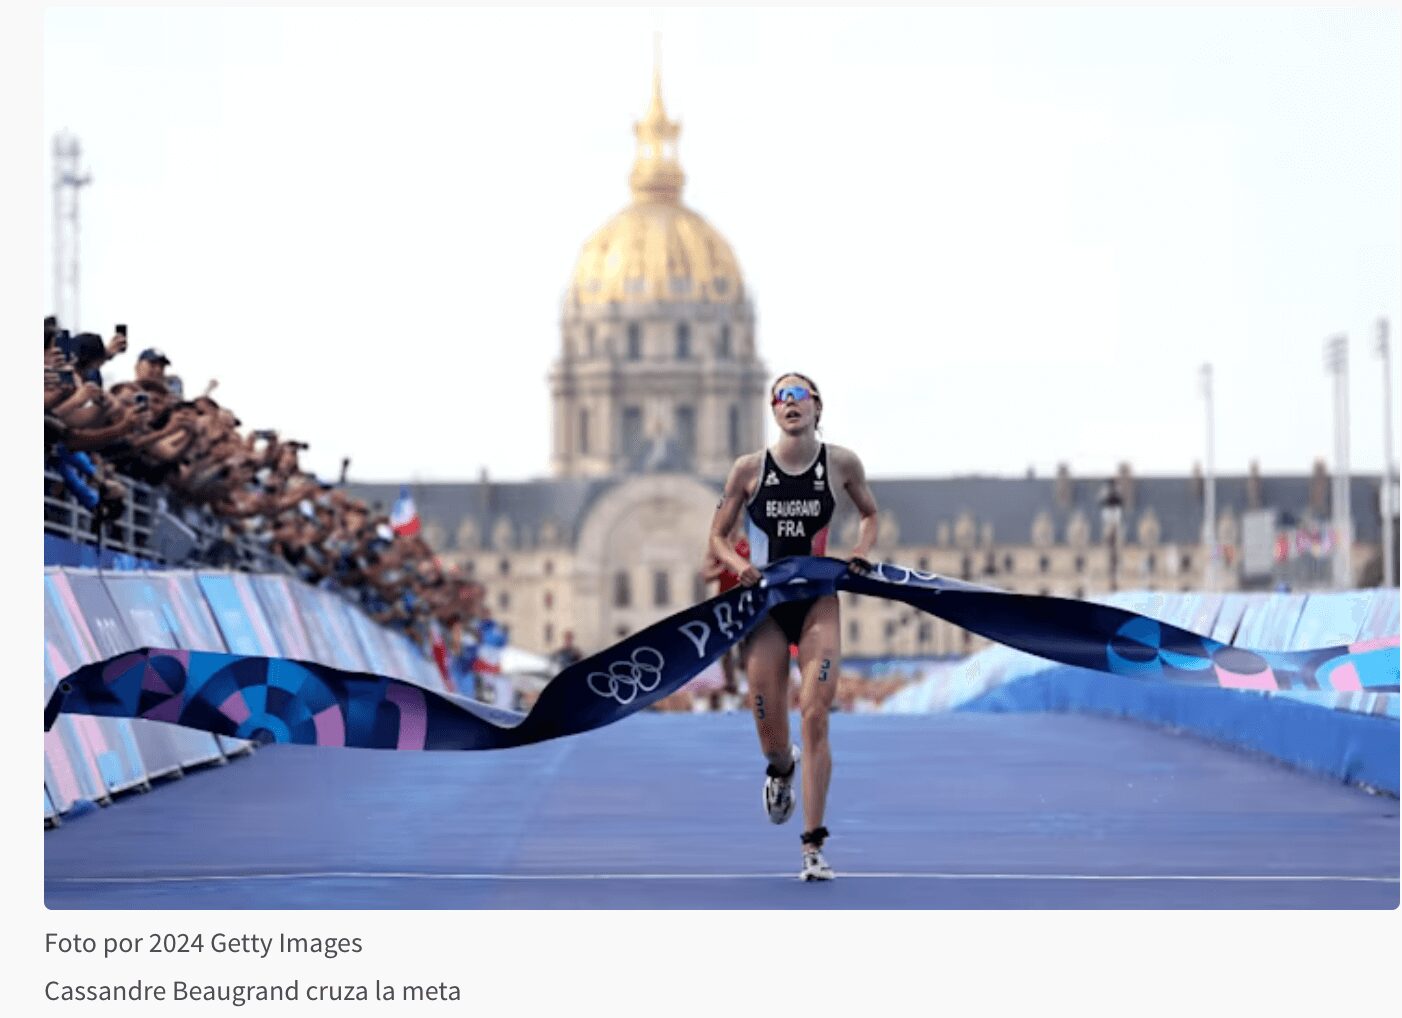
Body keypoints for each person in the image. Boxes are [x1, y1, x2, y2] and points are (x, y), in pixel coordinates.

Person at [707, 372, 879, 882]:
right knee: (772, 731)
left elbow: (870, 515)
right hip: (765, 607)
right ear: (772, 411)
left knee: (817, 713)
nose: (790, 403)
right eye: (780, 397)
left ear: (817, 406)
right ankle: (781, 769)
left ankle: (812, 845)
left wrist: (860, 554)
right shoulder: (748, 470)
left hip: (817, 601)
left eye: (799, 395)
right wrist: (737, 568)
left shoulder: (841, 464)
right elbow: (717, 535)